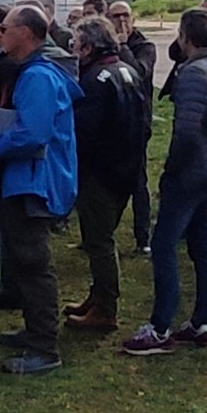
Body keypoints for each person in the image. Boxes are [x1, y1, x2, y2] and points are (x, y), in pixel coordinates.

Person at [121, 9, 207, 355]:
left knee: (164, 245)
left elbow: (188, 132)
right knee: (202, 245)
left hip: (193, 174)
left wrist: (172, 170)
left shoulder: (194, 73)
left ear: (184, 37)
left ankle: (160, 326)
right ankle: (202, 321)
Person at [0, 4, 82, 374]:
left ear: (28, 33)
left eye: (5, 27)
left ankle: (44, 348)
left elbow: (32, 134)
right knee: (23, 260)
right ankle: (35, 330)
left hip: (33, 180)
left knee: (34, 263)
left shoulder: (38, 77)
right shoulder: (35, 72)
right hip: (28, 177)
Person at [64, 17, 150, 331]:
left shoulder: (94, 80)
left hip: (102, 172)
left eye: (76, 44)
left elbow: (84, 131)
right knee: (100, 238)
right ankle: (97, 296)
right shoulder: (127, 70)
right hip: (126, 168)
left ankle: (105, 307)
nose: (73, 49)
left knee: (99, 241)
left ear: (88, 47)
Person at [108, 0, 157, 256]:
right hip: (113, 121)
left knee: (137, 178)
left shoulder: (144, 46)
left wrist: (124, 45)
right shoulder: (105, 43)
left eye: (125, 15)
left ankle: (142, 237)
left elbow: (138, 72)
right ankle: (103, 231)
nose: (121, 21)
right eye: (115, 16)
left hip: (137, 122)